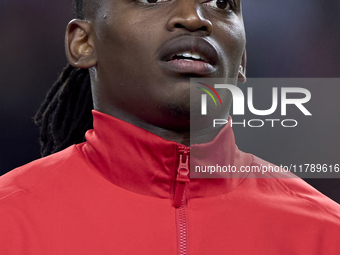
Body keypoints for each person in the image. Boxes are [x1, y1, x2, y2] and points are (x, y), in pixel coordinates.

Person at [0, 0, 339, 254]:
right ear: (83, 42)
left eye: (221, 2)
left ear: (243, 60)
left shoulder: (326, 234)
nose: (194, 17)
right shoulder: (9, 222)